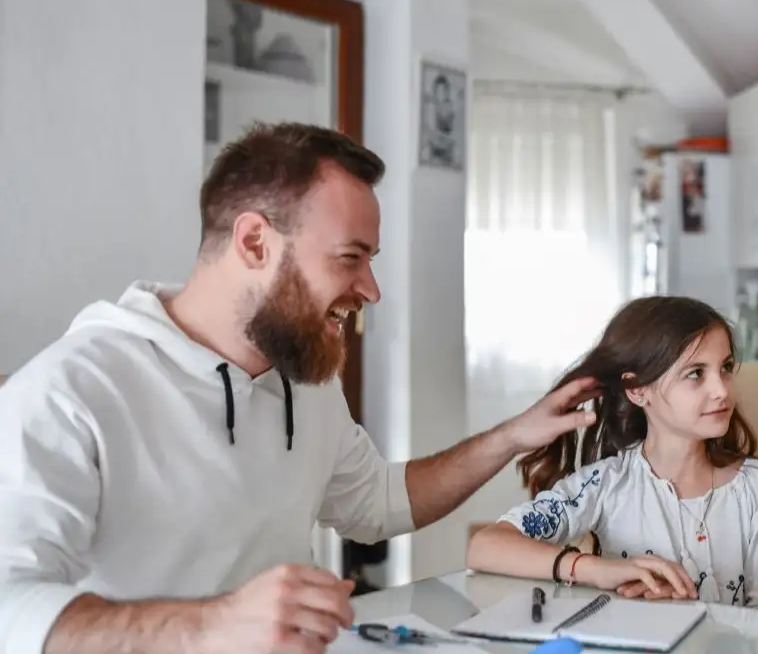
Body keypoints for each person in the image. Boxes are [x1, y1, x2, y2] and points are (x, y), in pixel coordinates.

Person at [0, 123, 597, 654]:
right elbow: (9, 606)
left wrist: (512, 436)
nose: (371, 289)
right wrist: (212, 627)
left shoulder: (304, 379)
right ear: (255, 242)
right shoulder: (69, 390)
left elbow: (379, 504)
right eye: (349, 257)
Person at [466, 296, 758, 612]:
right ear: (637, 390)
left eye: (725, 368)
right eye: (695, 373)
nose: (722, 390)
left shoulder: (756, 485)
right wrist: (596, 570)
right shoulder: (604, 484)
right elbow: (484, 546)